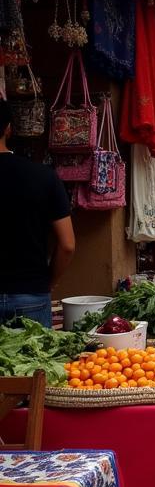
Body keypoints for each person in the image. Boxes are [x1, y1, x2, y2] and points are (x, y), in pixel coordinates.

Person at [0, 100, 75, 327]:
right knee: (34, 362)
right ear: (8, 129)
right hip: (30, 294)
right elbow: (67, 245)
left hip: (32, 290)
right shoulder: (43, 176)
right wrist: (47, 282)